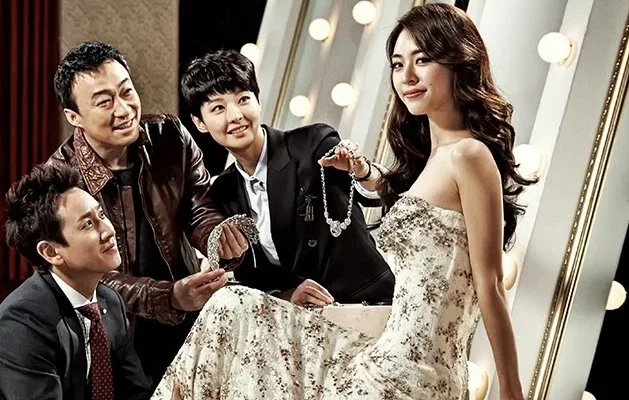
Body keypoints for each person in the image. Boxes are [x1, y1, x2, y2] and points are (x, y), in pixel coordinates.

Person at [153, 3, 533, 399]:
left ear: (458, 61)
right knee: (229, 309)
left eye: (422, 60)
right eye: (398, 64)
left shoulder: (468, 155)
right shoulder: (434, 159)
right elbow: (408, 199)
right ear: (199, 122)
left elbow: (490, 282)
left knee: (230, 308)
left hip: (409, 366)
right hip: (381, 355)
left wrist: (511, 390)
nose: (407, 76)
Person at [47, 41, 248, 387]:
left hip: (188, 316)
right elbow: (86, 277)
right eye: (104, 102)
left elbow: (200, 208)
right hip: (113, 336)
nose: (124, 109)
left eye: (127, 92)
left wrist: (218, 238)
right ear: (74, 117)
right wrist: (169, 297)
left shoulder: (170, 136)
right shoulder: (58, 181)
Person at [179, 49, 395, 306]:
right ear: (200, 123)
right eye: (218, 108)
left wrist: (362, 170)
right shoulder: (222, 191)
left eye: (243, 99)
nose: (235, 116)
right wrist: (287, 296)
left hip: (368, 302)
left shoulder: (312, 144)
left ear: (258, 100)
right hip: (299, 318)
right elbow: (252, 274)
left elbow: (381, 193)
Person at [0, 163, 152, 399]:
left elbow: (136, 392)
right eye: (88, 224)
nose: (109, 231)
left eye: (101, 215)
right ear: (51, 252)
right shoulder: (21, 323)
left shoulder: (110, 301)